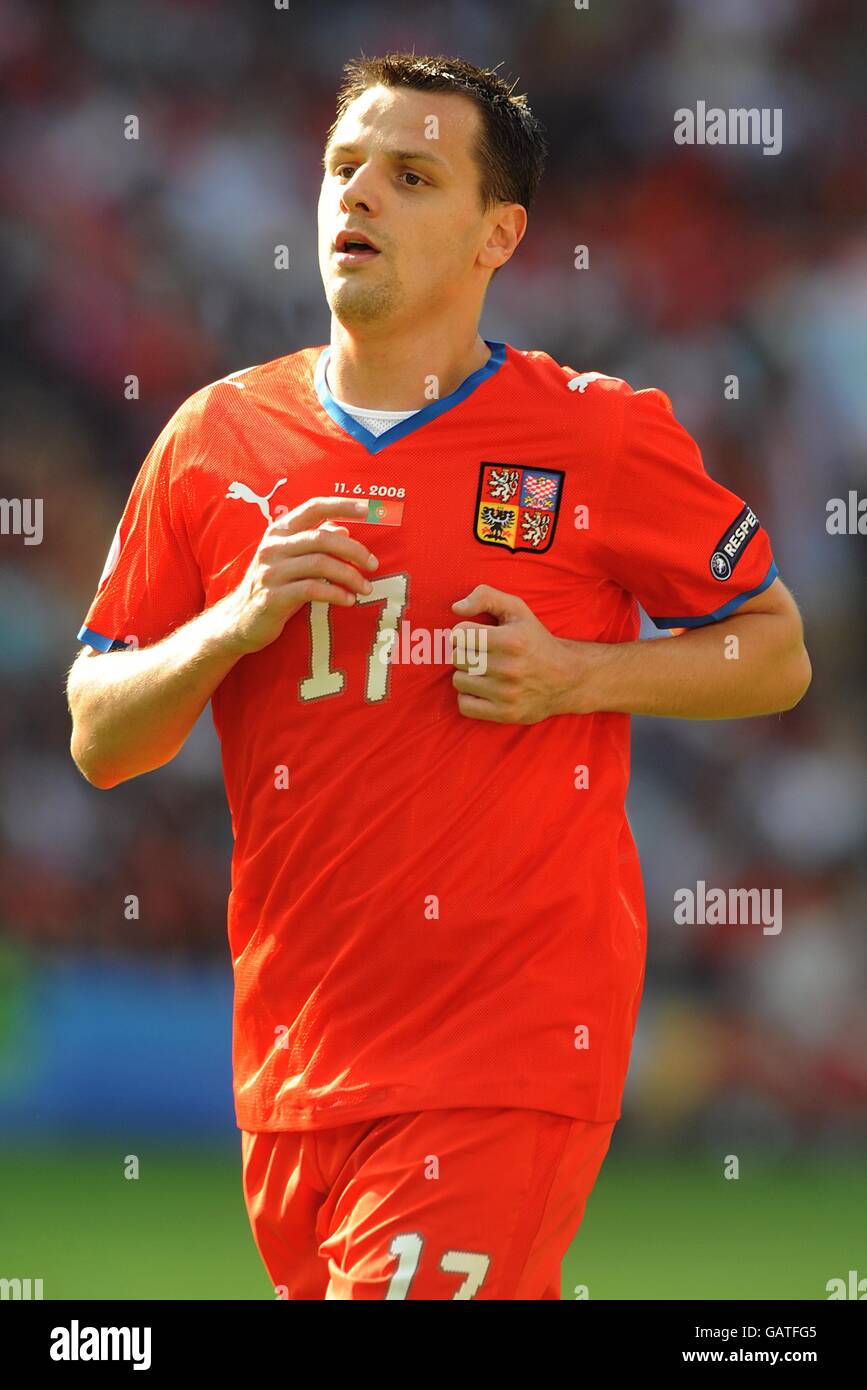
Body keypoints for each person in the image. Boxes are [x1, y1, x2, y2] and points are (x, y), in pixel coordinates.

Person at [67, 53, 811, 1300]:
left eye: (411, 176)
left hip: (504, 1043)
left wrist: (574, 672)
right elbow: (102, 735)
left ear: (495, 235)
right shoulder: (211, 442)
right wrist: (233, 625)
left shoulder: (595, 432)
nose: (359, 196)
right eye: (343, 169)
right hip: (298, 1059)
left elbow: (776, 650)